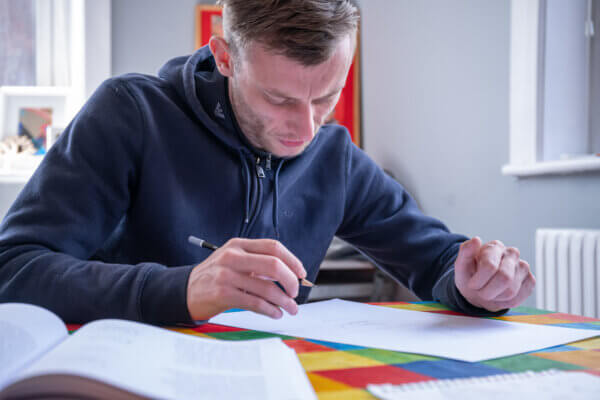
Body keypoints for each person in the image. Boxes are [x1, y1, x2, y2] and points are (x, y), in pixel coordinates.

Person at [0, 0, 534, 325]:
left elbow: (439, 261)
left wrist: (478, 282)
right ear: (225, 56)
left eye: (326, 97)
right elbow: (14, 269)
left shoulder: (335, 158)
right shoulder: (130, 114)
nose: (306, 130)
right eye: (279, 99)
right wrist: (182, 290)